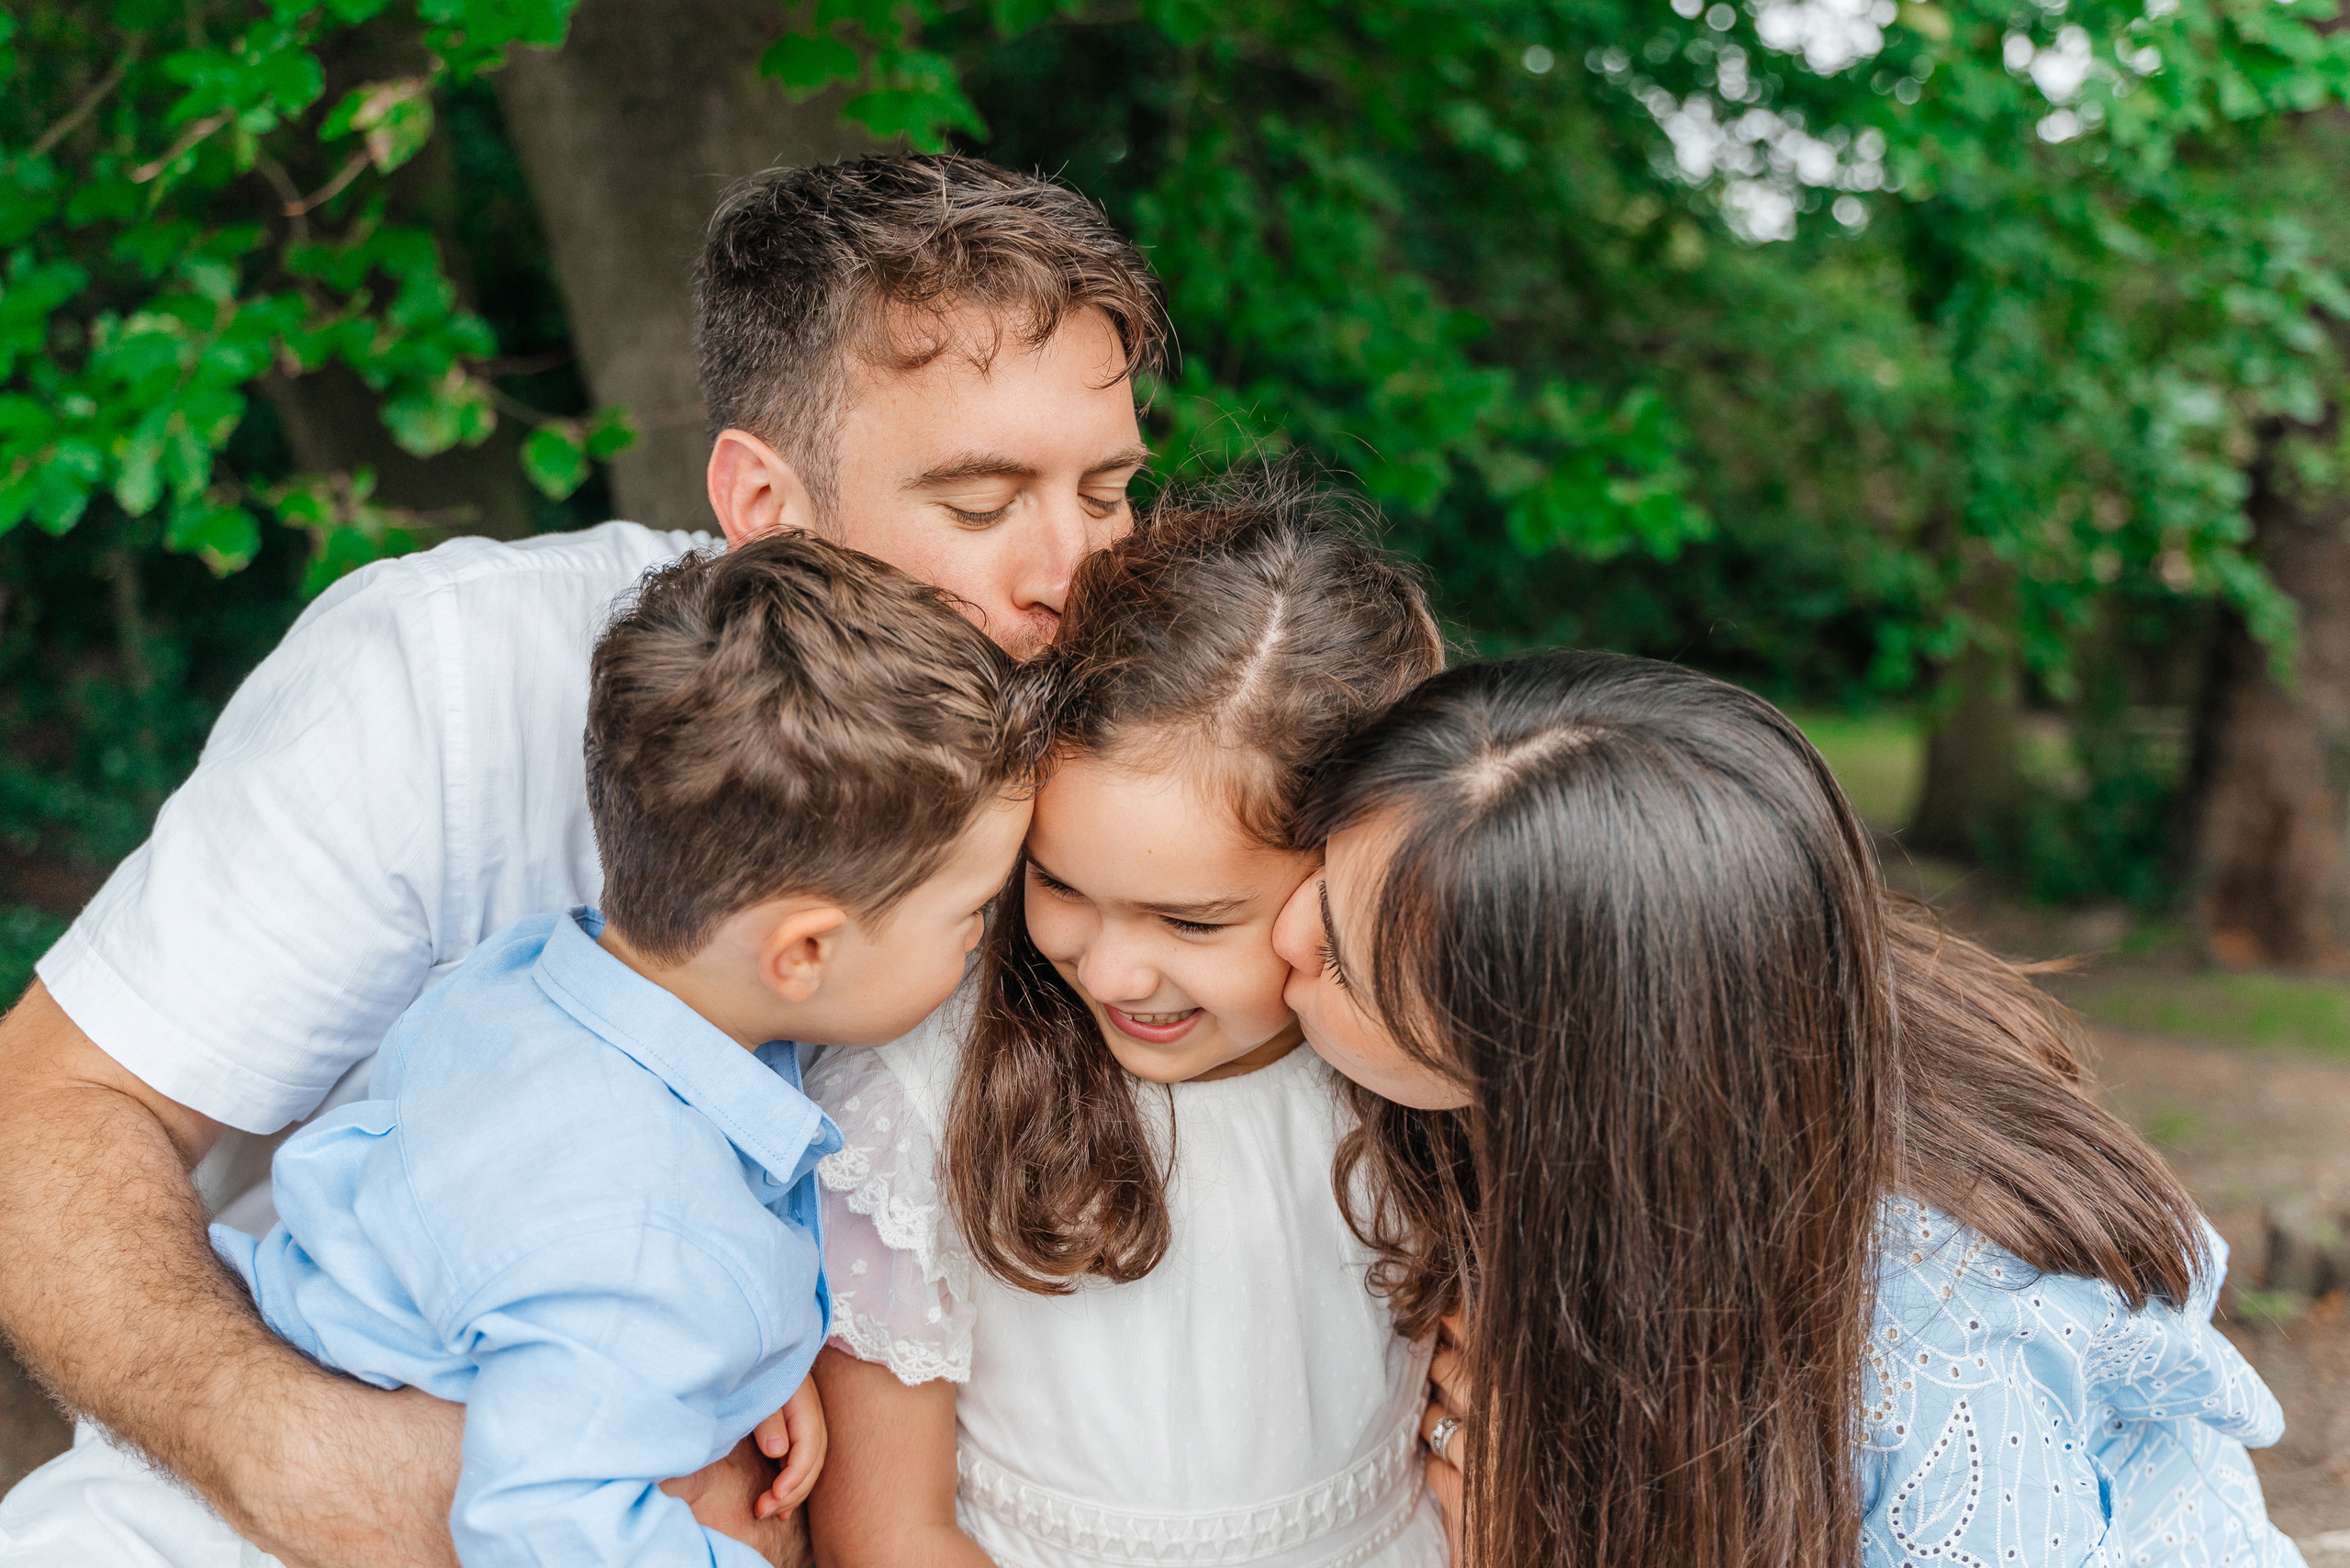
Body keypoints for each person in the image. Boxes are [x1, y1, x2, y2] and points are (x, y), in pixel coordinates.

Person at [0, 153, 1162, 1568]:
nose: (1069, 574)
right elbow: (48, 1111)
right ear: (763, 504)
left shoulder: (1131, 758)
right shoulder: (447, 680)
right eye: (981, 505)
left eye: (1107, 494)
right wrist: (320, 1466)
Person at [12, 533, 1043, 1566]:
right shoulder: (647, 1233)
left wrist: (751, 1369)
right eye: (971, 910)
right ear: (804, 950)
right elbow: (540, 1522)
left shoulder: (531, 982)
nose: (982, 934)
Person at [1269, 650, 2305, 1568]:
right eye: (1317, 881)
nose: (1280, 941)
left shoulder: (1932, 1362)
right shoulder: (1755, 1031)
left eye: (1344, 969)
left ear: (1552, 1077)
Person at [800, 480, 1454, 1568]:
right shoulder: (923, 1091)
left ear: (1354, 864)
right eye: (1056, 886)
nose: (1109, 968)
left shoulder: (1411, 1071)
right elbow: (889, 1531)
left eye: (1193, 919)